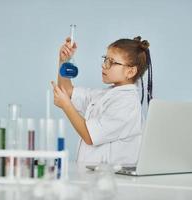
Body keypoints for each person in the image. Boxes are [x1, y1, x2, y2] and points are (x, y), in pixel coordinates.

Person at [51, 36, 153, 165]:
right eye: (105, 59)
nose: (104, 66)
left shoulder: (127, 104)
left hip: (112, 180)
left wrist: (66, 106)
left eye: (112, 62)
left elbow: (89, 136)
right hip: (94, 178)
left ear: (130, 71)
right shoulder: (104, 95)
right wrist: (64, 61)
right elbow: (66, 91)